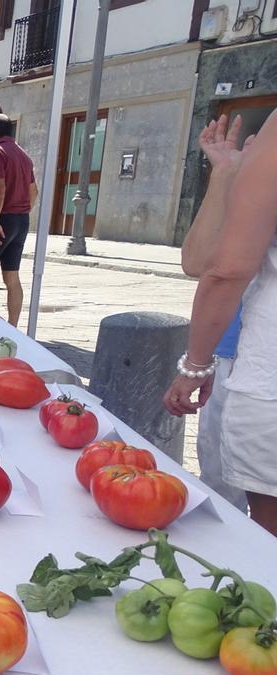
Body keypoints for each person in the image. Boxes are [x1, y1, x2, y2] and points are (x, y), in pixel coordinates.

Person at [164, 109, 277, 536]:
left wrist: (195, 364)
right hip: (238, 354)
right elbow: (197, 261)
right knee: (228, 497)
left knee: (253, 533)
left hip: (259, 372)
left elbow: (224, 271)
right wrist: (227, 175)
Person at [0, 113, 37, 327]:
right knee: (12, 276)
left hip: (2, 219)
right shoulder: (24, 154)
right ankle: (13, 325)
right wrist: (22, 210)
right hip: (21, 220)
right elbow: (34, 191)